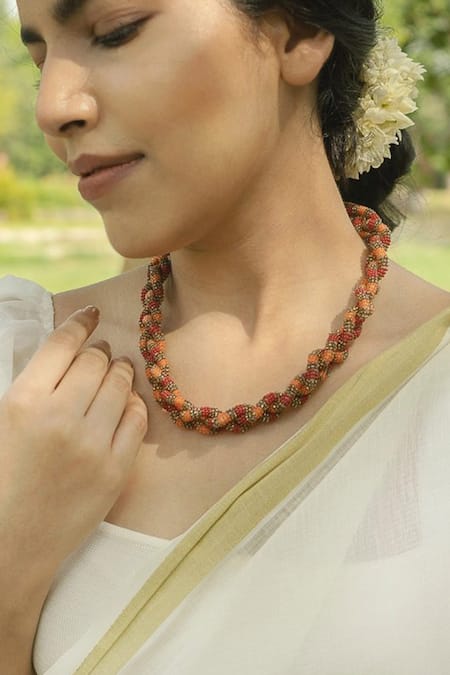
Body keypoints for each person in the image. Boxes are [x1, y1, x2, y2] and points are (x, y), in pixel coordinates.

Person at [1, 0, 449, 673]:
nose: (53, 106)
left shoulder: (435, 390)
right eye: (40, 63)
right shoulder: (21, 368)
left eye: (117, 32)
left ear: (300, 32)